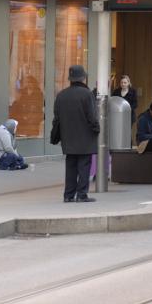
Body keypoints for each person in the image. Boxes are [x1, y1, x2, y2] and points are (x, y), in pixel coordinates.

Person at [53, 65, 100, 203]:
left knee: (71, 166)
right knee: (84, 166)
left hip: (68, 137)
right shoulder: (87, 94)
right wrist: (96, 129)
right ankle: (81, 195)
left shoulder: (61, 95)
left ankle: (68, 195)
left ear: (70, 79)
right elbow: (92, 117)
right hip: (85, 137)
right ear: (83, 78)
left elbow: (57, 118)